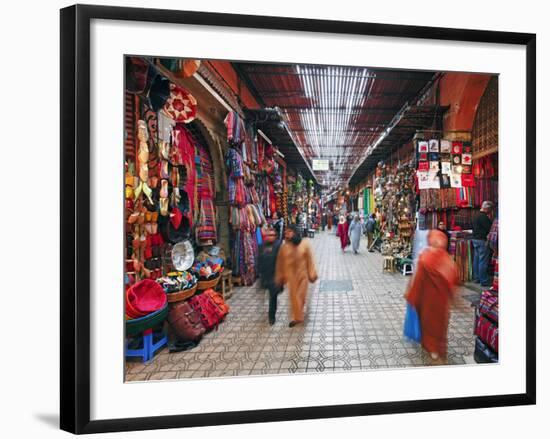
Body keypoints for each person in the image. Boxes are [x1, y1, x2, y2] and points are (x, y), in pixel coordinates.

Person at [405, 230, 459, 363]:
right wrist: (454, 300)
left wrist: (411, 297)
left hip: (427, 303)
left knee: (428, 326)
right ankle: (439, 349)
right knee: (440, 327)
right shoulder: (448, 261)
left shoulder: (425, 258)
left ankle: (433, 351)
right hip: (442, 304)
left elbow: (418, 282)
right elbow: (453, 282)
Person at [275, 224, 318, 327]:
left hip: (302, 275)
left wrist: (312, 273)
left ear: (295, 232)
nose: (286, 234)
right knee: (293, 297)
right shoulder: (284, 247)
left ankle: (298, 315)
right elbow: (280, 263)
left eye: (289, 232)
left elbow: (310, 259)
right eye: (286, 232)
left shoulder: (304, 244)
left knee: (301, 296)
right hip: (291, 277)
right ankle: (296, 317)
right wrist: (280, 276)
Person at [258, 227, 283, 325]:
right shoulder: (261, 246)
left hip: (275, 276)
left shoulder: (278, 246)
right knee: (266, 295)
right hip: (265, 275)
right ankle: (269, 313)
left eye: (272, 235)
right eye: (268, 235)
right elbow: (259, 260)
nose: (270, 237)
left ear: (275, 236)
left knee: (273, 297)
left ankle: (271, 316)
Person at [472, 201, 494, 287]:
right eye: (490, 209)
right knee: (483, 261)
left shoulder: (476, 215)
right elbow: (490, 228)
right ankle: (483, 280)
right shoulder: (484, 217)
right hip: (482, 240)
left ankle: (477, 278)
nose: (490, 211)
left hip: (475, 239)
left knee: (477, 259)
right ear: (487, 208)